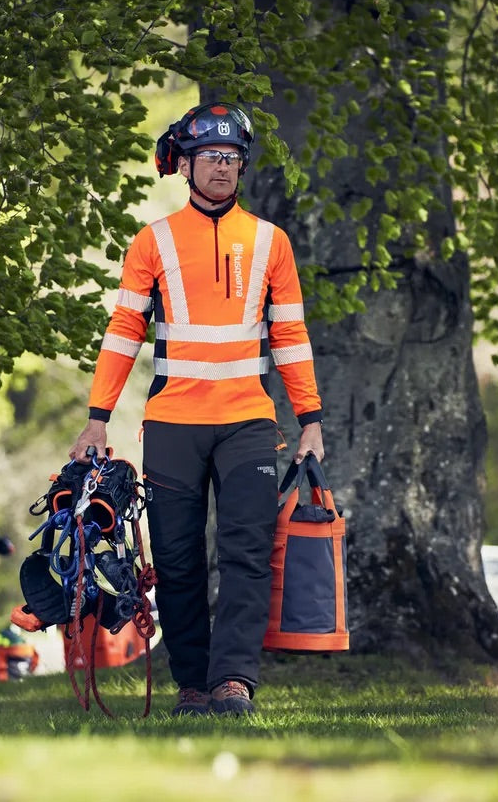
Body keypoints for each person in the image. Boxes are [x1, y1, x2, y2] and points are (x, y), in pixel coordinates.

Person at [69, 102, 325, 716]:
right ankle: (190, 682)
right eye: (210, 157)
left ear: (242, 167)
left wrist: (311, 421)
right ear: (184, 164)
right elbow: (124, 330)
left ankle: (233, 680)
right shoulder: (151, 241)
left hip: (248, 422)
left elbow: (290, 335)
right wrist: (97, 416)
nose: (221, 168)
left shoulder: (272, 242)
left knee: (246, 553)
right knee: (179, 560)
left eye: (232, 158)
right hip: (172, 426)